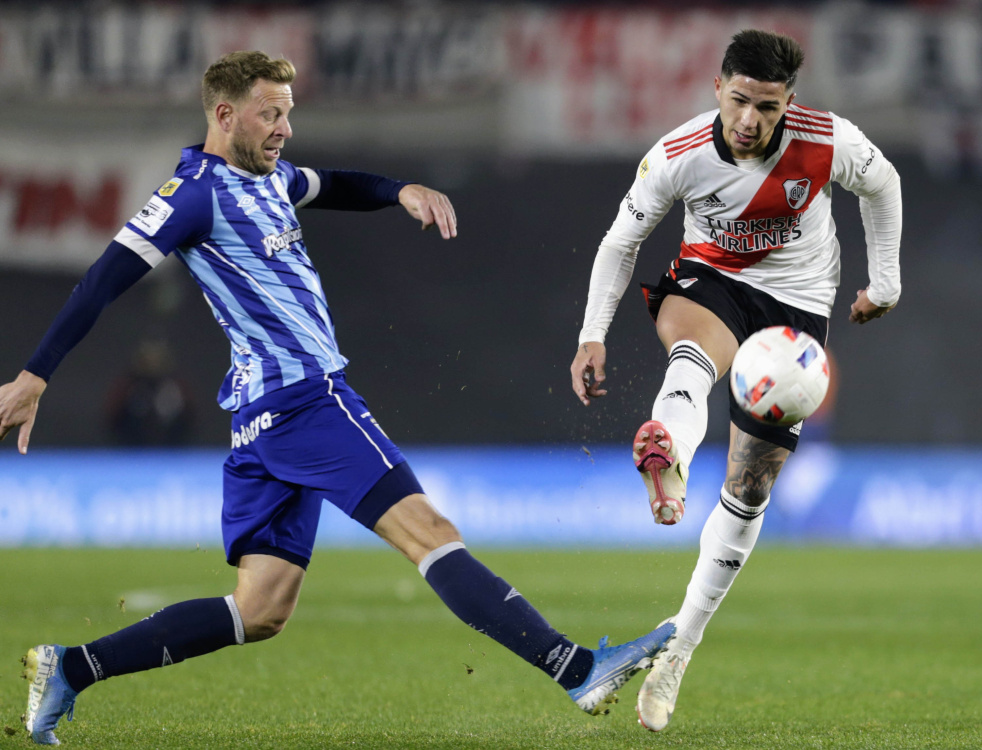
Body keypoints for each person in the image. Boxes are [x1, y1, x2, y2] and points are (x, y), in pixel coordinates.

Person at [1, 51, 675, 746]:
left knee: (259, 609)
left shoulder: (270, 178)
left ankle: (70, 668)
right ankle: (576, 669)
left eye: (288, 113)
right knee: (430, 533)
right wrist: (35, 375)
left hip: (262, 418)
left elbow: (336, 184)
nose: (285, 128)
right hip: (305, 399)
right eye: (271, 113)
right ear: (224, 115)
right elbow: (103, 279)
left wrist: (400, 191)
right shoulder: (194, 195)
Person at [569, 30, 900, 732]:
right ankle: (671, 455)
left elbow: (884, 184)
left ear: (790, 103)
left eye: (768, 107)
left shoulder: (827, 140)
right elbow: (621, 241)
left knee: (750, 491)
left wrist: (886, 283)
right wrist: (591, 334)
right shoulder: (678, 154)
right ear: (717, 88)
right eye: (740, 100)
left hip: (797, 310)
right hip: (711, 280)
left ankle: (677, 650)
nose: (750, 120)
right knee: (693, 348)